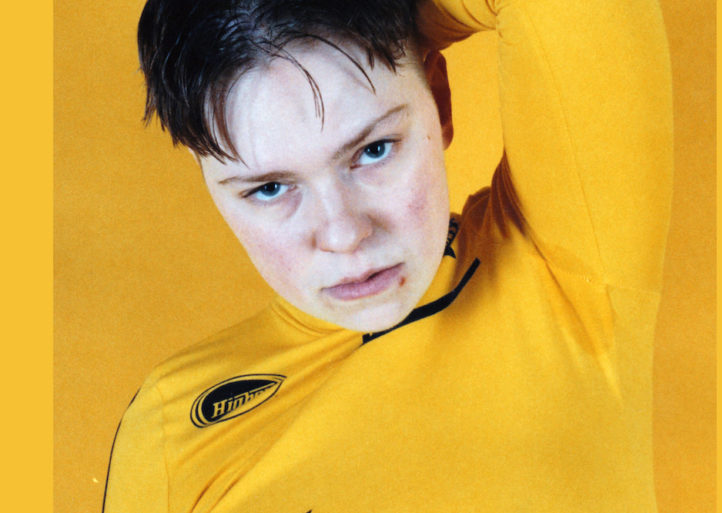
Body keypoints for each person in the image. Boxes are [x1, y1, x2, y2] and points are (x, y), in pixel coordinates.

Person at [103, 0, 672, 511]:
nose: (344, 234)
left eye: (374, 149)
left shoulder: (558, 270)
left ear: (439, 100)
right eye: (270, 188)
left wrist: (382, 19)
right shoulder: (170, 429)